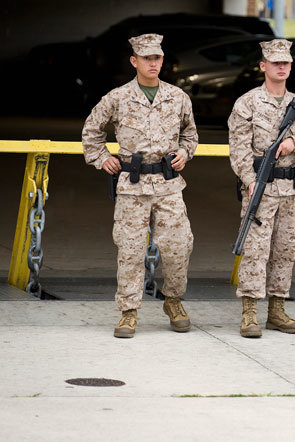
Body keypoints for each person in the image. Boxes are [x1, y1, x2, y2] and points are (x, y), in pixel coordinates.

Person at [82, 33, 198, 338]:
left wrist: (185, 153)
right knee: (130, 250)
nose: (153, 63)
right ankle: (128, 311)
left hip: (168, 185)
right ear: (134, 61)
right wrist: (101, 157)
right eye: (147, 58)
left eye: (157, 58)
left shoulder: (178, 97)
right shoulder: (117, 98)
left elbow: (190, 135)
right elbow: (91, 131)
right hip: (132, 186)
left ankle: (173, 300)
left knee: (179, 246)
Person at [228, 39, 295, 338]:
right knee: (255, 250)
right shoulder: (247, 103)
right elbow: (239, 149)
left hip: (293, 189)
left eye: (286, 63)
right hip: (262, 186)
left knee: (286, 248)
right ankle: (250, 313)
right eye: (275, 63)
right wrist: (249, 179)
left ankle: (277, 310)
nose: (281, 67)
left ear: (290, 66)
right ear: (263, 66)